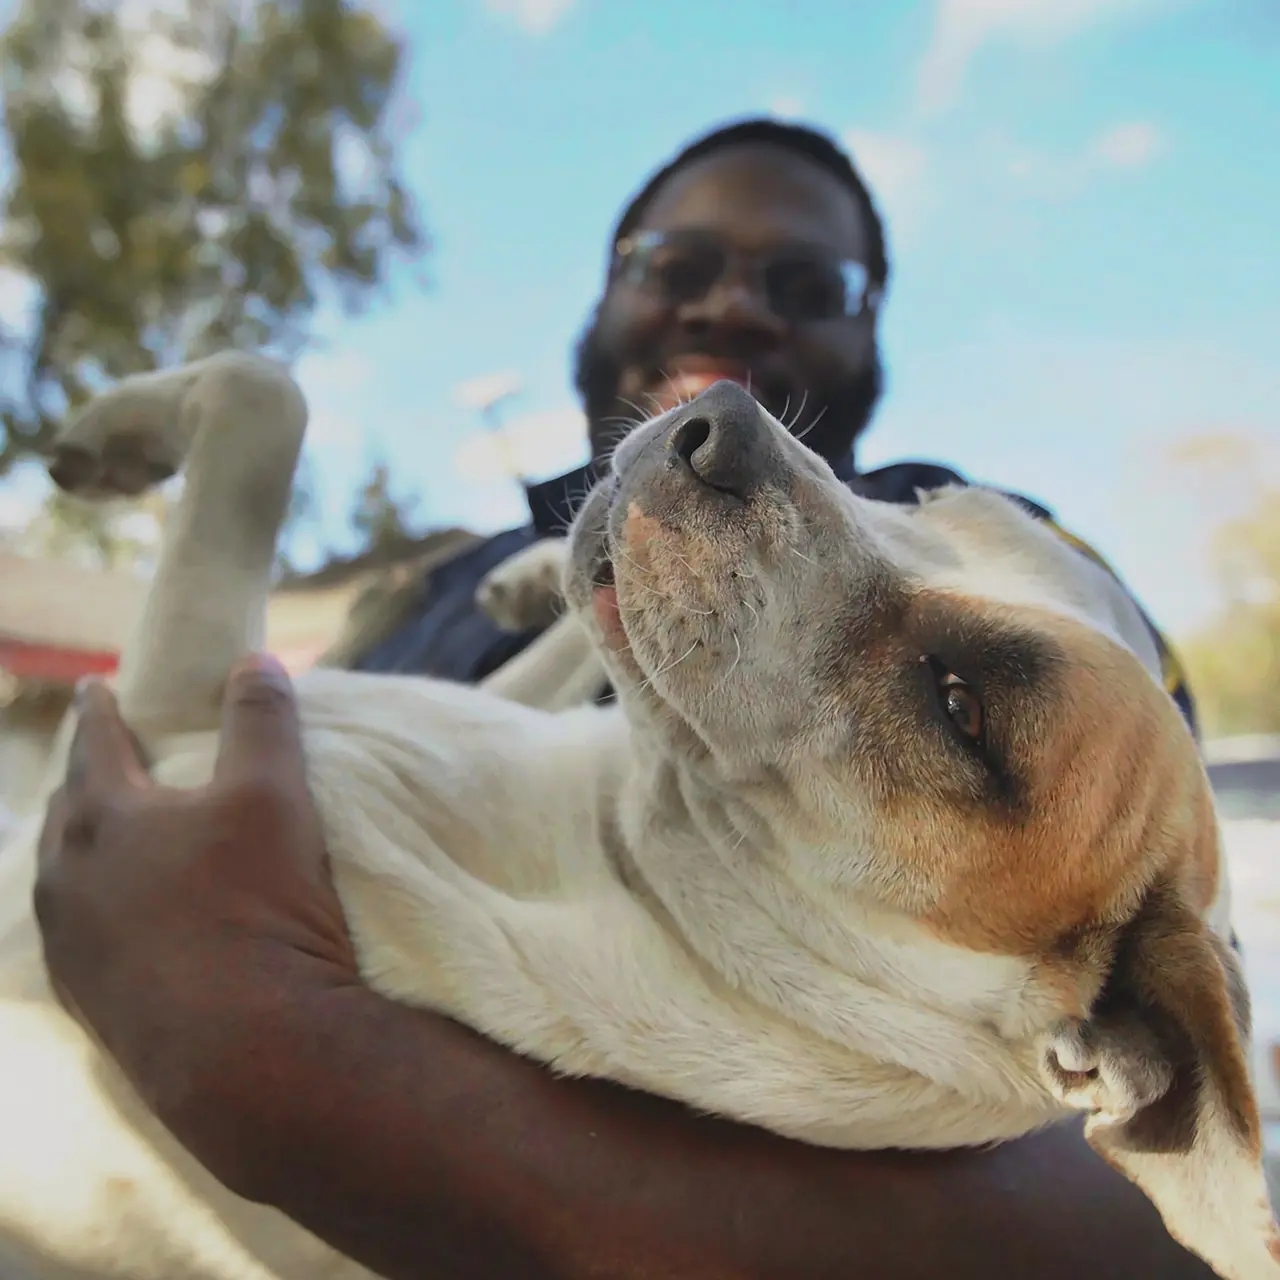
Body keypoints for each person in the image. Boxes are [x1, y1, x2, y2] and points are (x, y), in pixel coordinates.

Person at [34, 120, 1218, 1279]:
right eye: (675, 265)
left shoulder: (997, 555)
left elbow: (1157, 1196)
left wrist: (306, 1067)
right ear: (607, 291)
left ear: (870, 332)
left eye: (804, 281)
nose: (729, 306)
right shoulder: (449, 575)